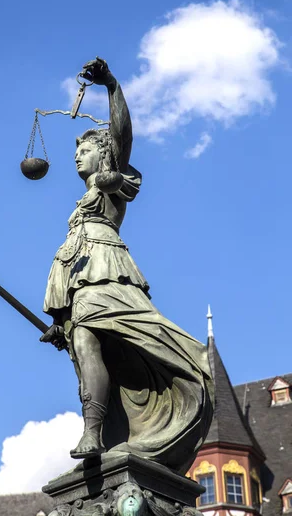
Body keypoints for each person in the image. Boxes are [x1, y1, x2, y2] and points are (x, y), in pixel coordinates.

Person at [40, 58, 213, 473]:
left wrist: (112, 86)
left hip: (110, 273)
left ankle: (185, 369)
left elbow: (122, 132)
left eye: (85, 151)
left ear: (103, 155)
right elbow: (69, 263)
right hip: (79, 284)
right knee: (84, 347)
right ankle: (93, 431)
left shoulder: (112, 182)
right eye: (76, 152)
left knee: (109, 340)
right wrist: (60, 318)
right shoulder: (79, 205)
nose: (78, 158)